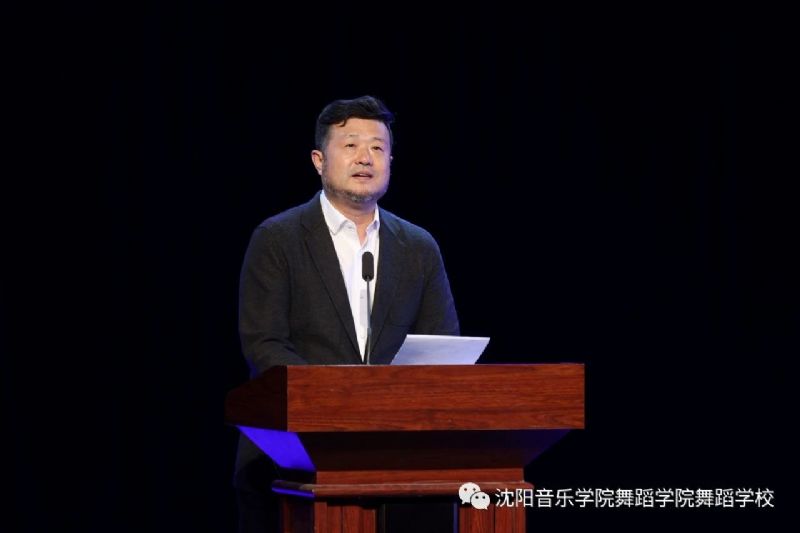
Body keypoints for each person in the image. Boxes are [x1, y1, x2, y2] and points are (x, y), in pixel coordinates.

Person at [234, 95, 460, 532]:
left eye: (377, 147)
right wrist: (339, 407)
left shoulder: (418, 246)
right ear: (319, 160)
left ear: (391, 161)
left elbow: (441, 347)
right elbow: (265, 345)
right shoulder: (278, 238)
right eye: (351, 144)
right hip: (292, 453)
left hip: (398, 456)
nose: (365, 157)